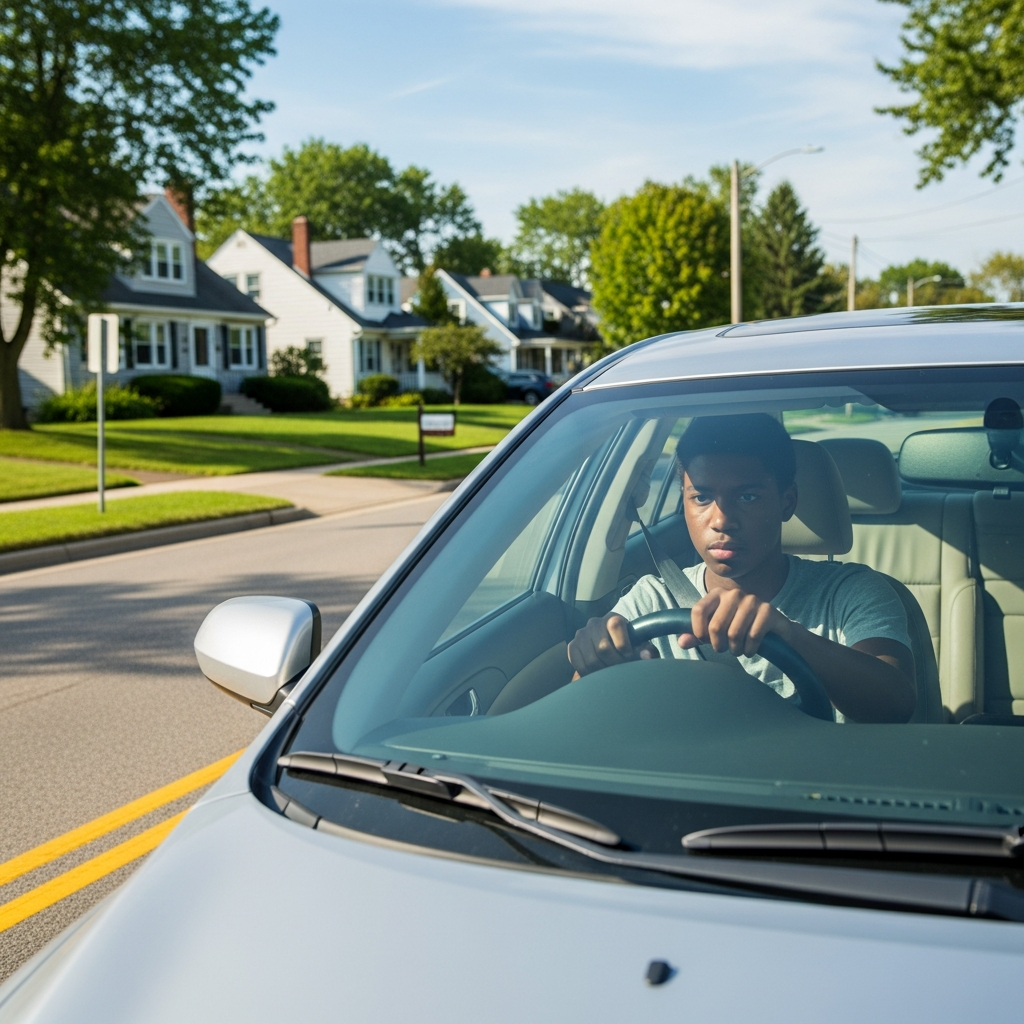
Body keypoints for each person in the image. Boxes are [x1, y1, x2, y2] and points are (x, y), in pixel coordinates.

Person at [567, 414, 916, 723]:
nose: (722, 520)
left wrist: (791, 636)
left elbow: (895, 705)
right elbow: (575, 719)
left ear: (787, 502)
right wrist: (595, 662)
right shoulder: (650, 601)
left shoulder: (850, 593)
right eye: (701, 497)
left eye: (747, 496)